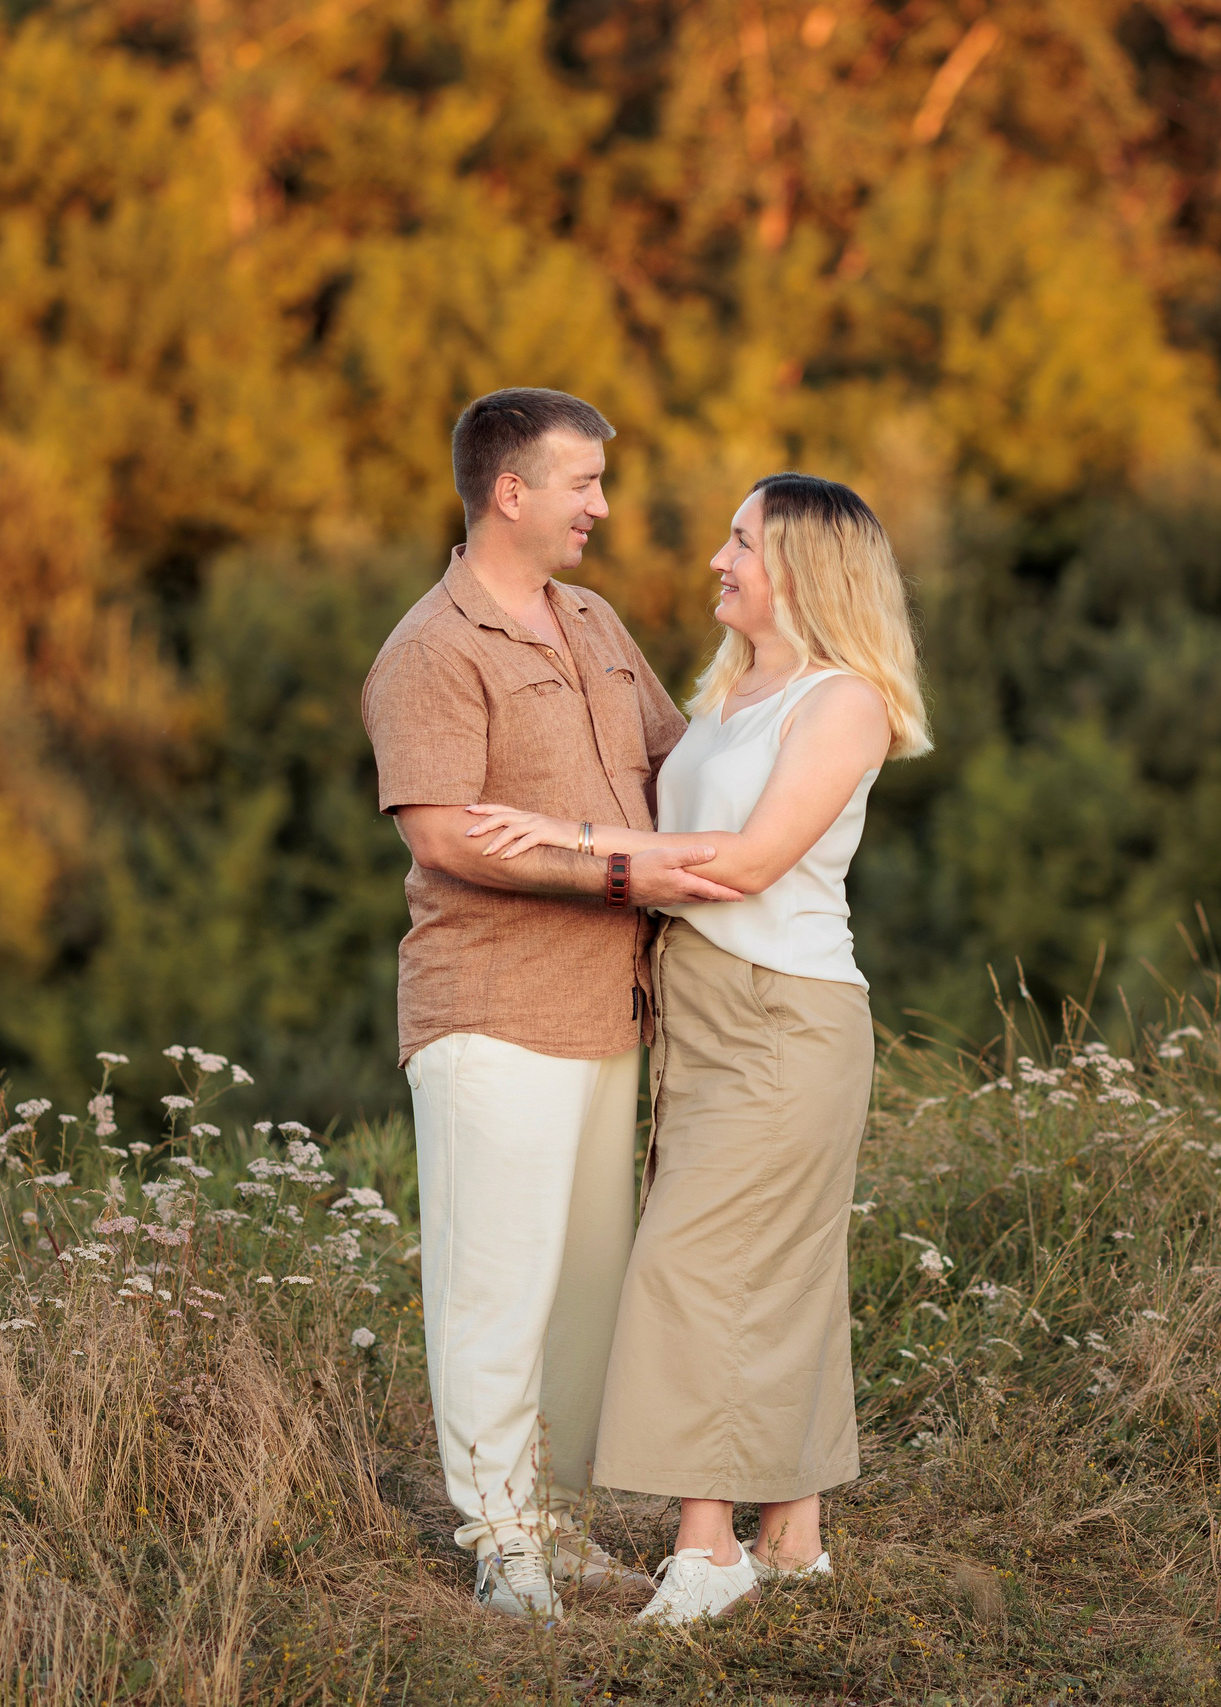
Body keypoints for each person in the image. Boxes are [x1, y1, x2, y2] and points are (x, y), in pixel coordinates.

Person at [460, 472, 930, 1626]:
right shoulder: (726, 697)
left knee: (692, 1265)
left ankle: (707, 1546)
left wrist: (571, 839)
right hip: (701, 1008)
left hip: (787, 1011)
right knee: (786, 1268)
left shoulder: (844, 700)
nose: (718, 559)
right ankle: (794, 1537)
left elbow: (750, 863)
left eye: (742, 542)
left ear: (807, 571)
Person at [359, 388, 742, 1622]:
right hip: (490, 1005)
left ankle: (550, 1520)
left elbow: (676, 760)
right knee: (495, 1282)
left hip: (609, 1009)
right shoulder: (431, 648)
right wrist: (624, 866)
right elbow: (446, 836)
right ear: (508, 492)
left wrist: (794, 707)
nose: (603, 507)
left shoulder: (592, 620)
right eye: (582, 483)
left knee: (580, 1290)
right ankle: (499, 1545)